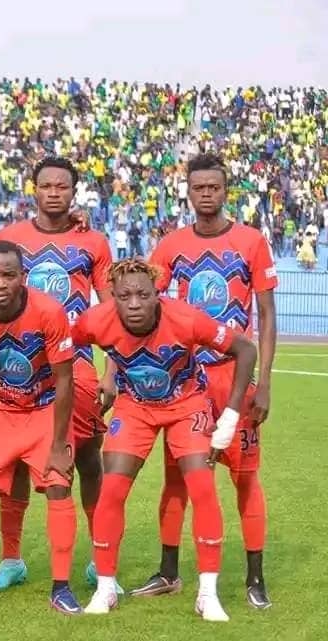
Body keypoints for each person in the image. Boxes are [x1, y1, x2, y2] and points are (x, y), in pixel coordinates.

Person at [74, 258, 257, 622]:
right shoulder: (94, 320)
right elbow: (61, 346)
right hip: (135, 406)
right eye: (125, 296)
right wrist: (100, 379)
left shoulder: (187, 319)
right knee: (111, 490)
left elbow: (245, 350)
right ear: (112, 297)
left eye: (144, 294)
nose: (135, 303)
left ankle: (208, 593)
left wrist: (232, 414)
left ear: (158, 294)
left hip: (186, 404)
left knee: (202, 487)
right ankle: (106, 587)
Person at [140, 153, 278, 609]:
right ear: (188, 189)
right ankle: (169, 572)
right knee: (176, 479)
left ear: (225, 190)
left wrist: (267, 382)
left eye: (213, 187)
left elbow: (266, 314)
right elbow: (141, 298)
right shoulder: (170, 246)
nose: (205, 193)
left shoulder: (252, 242)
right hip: (185, 383)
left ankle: (254, 578)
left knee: (244, 478)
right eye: (198, 186)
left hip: (234, 379)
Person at [0, 157, 115, 590]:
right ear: (34, 189)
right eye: (46, 185)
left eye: (62, 186)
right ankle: (12, 559)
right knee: (18, 462)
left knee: (86, 459)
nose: (54, 193)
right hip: (21, 366)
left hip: (77, 365)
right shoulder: (10, 237)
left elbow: (109, 308)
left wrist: (111, 369)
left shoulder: (94, 242)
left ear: (73, 191)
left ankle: (102, 558)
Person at [0, 241, 81, 614]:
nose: (0, 283)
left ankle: (62, 587)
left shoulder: (50, 311)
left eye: (9, 275)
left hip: (45, 406)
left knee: (58, 486)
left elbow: (65, 379)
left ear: (24, 277)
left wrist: (57, 444)